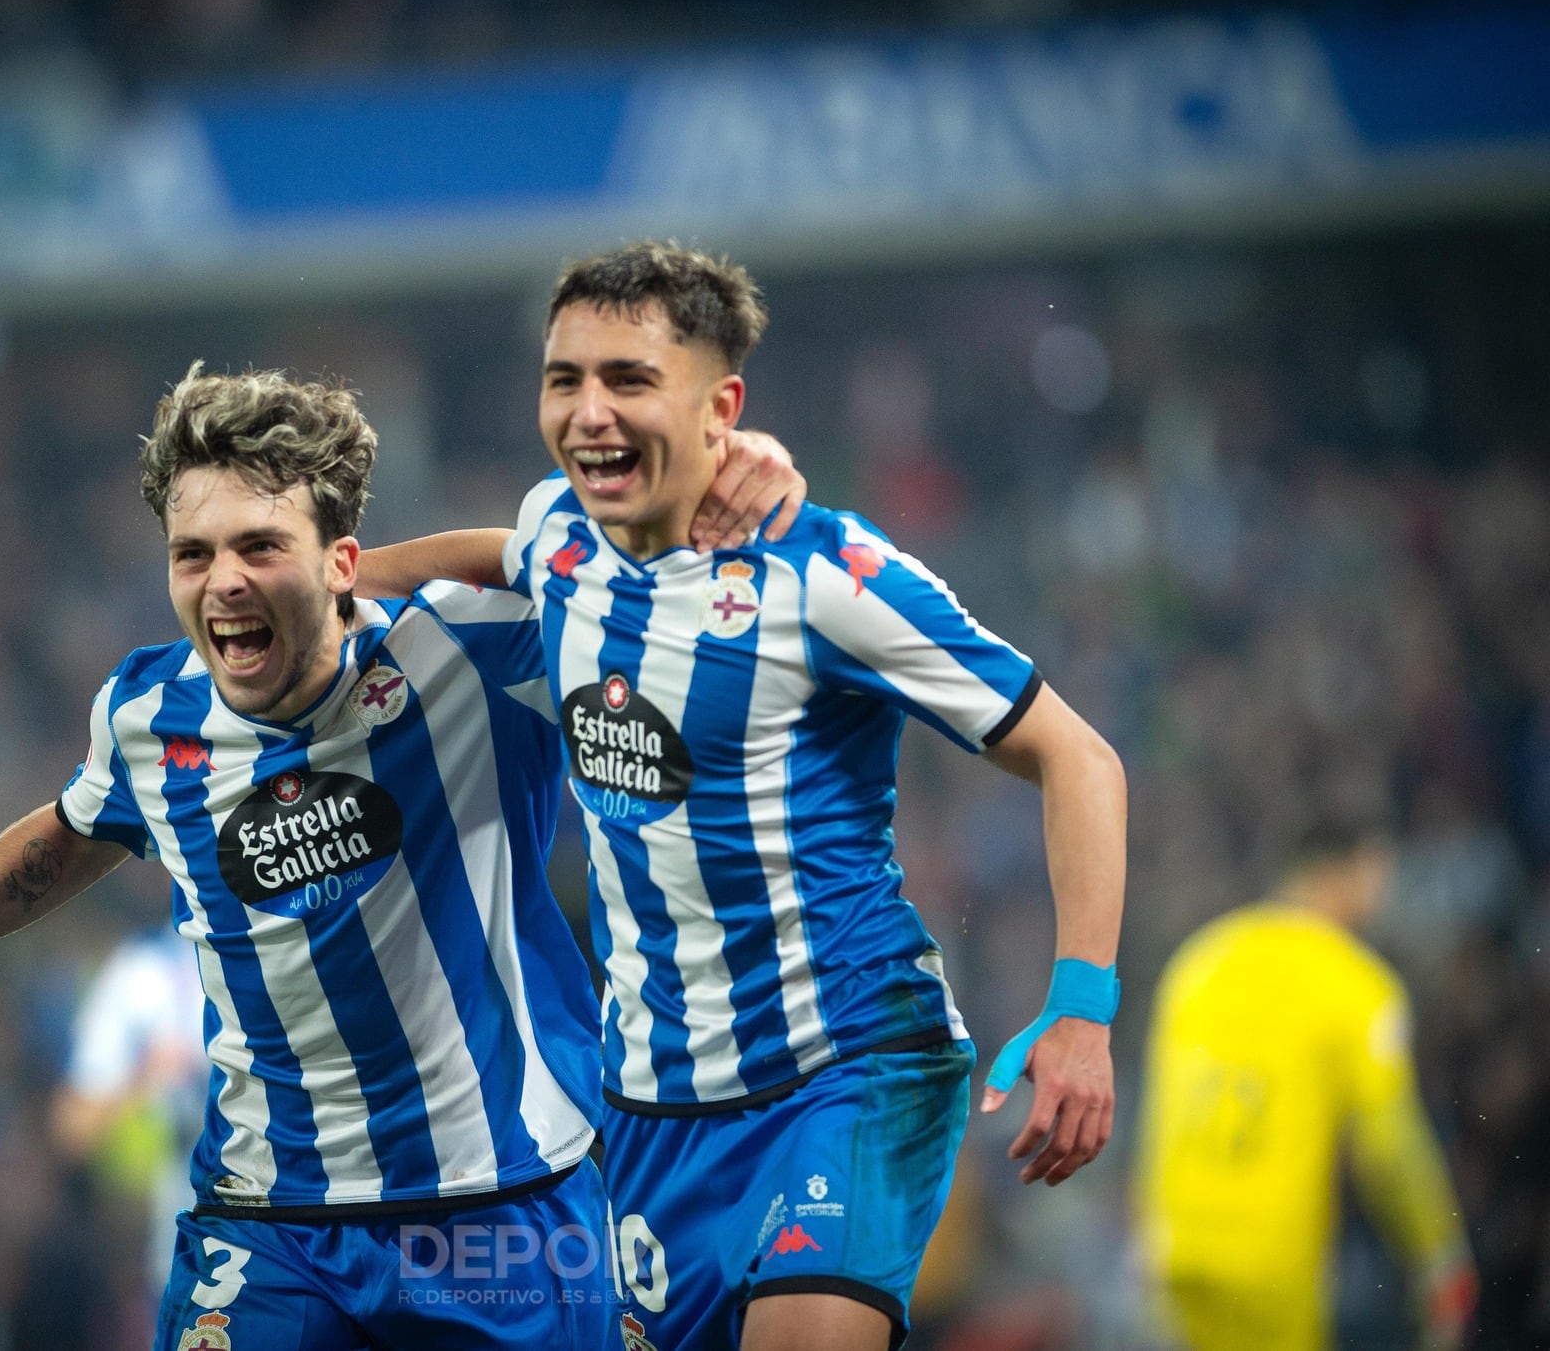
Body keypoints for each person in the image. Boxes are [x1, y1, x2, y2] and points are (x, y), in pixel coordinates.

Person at [0, 362, 799, 1350]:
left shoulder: (466, 653)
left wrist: (729, 478)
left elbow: (604, 575)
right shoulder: (147, 714)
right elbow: (73, 827)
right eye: (191, 553)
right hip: (270, 1224)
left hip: (508, 1209)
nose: (221, 581)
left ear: (343, 561)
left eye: (259, 545)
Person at [360, 240, 1128, 1351]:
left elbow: (1079, 758)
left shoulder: (824, 574)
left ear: (719, 404)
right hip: (653, 1114)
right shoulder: (558, 539)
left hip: (845, 1068)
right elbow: (501, 552)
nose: (585, 412)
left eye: (627, 380)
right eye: (562, 378)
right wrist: (339, 573)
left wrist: (1081, 1009)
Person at [1136, 821, 1477, 1351]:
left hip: (1176, 1251)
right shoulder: (1356, 986)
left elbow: (1156, 1115)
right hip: (1269, 1262)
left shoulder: (1199, 961)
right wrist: (1440, 1254)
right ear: (1356, 870)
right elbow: (1388, 1148)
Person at [50, 925, 211, 1298]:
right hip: (187, 1255)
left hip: (299, 1225)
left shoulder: (302, 939)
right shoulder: (142, 971)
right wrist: (147, 1073)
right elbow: (71, 1127)